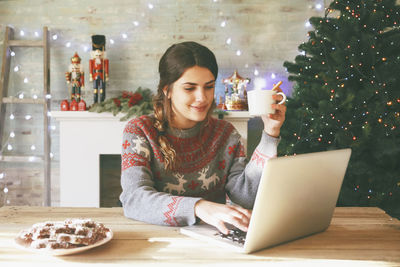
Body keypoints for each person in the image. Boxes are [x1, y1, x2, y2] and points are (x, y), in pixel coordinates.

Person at [120, 41, 286, 234]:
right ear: (167, 90)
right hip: (153, 239)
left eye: (208, 87)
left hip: (214, 240)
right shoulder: (140, 130)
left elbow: (246, 198)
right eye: (190, 88)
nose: (202, 97)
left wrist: (270, 133)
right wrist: (199, 207)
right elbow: (134, 198)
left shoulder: (226, 134)